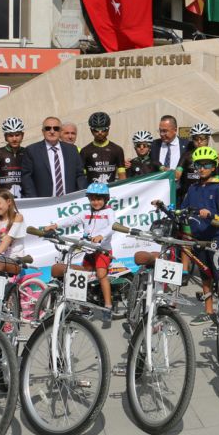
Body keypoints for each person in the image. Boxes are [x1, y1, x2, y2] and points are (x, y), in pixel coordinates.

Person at [46, 182, 116, 326]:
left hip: (103, 251)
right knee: (84, 277)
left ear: (106, 199)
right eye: (92, 199)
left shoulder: (109, 212)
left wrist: (102, 236)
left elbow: (112, 226)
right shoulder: (86, 212)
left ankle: (108, 307)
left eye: (99, 199)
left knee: (102, 275)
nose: (95, 202)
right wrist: (55, 225)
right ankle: (84, 306)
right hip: (88, 250)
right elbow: (71, 220)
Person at [179, 147, 219, 326]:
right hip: (197, 239)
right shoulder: (193, 188)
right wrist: (166, 208)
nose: (202, 168)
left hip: (215, 239)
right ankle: (208, 311)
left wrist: (210, 215)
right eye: (198, 165)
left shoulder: (218, 188)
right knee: (205, 276)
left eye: (206, 165)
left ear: (213, 166)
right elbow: (183, 209)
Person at [21, 116, 87, 198]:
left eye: (56, 128)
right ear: (43, 131)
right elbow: (26, 178)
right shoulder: (32, 151)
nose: (52, 131)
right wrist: (34, 199)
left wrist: (82, 196)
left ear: (60, 131)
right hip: (44, 203)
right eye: (48, 128)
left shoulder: (72, 150)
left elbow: (80, 175)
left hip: (69, 201)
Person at [80, 111, 126, 184]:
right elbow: (81, 176)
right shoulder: (85, 151)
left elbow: (122, 175)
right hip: (92, 193)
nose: (100, 132)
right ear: (91, 130)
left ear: (108, 129)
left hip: (111, 191)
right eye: (96, 130)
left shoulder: (117, 149)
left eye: (103, 129)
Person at [0, 117, 26, 198]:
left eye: (17, 135)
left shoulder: (26, 152)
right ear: (5, 137)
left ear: (22, 135)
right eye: (10, 135)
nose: (14, 139)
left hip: (23, 197)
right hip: (3, 199)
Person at [176, 123, 211, 199]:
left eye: (202, 138)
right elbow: (178, 173)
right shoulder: (186, 155)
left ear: (208, 139)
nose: (199, 141)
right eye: (195, 138)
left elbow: (218, 177)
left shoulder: (214, 155)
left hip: (207, 194)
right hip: (189, 194)